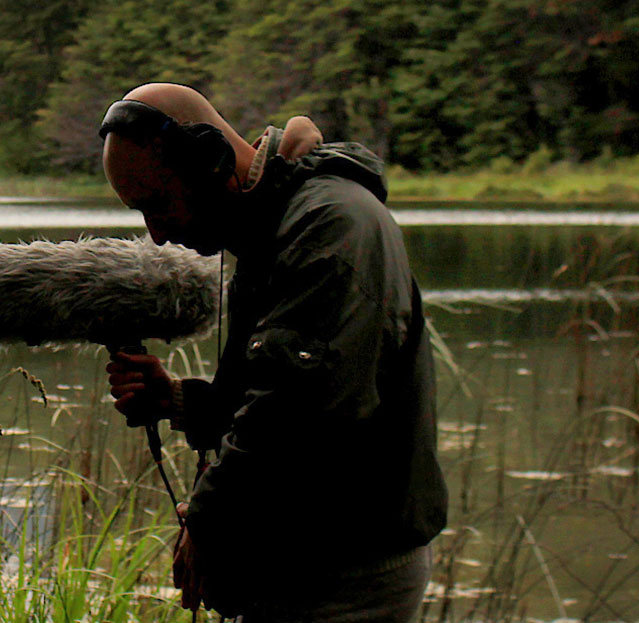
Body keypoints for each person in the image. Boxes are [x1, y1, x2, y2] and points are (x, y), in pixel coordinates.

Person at [100, 83, 446, 622]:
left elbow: (303, 419)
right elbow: (268, 396)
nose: (157, 234)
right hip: (308, 563)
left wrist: (208, 519)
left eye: (157, 204)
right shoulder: (275, 228)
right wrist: (176, 400)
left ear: (211, 160)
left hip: (347, 574)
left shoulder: (332, 227)